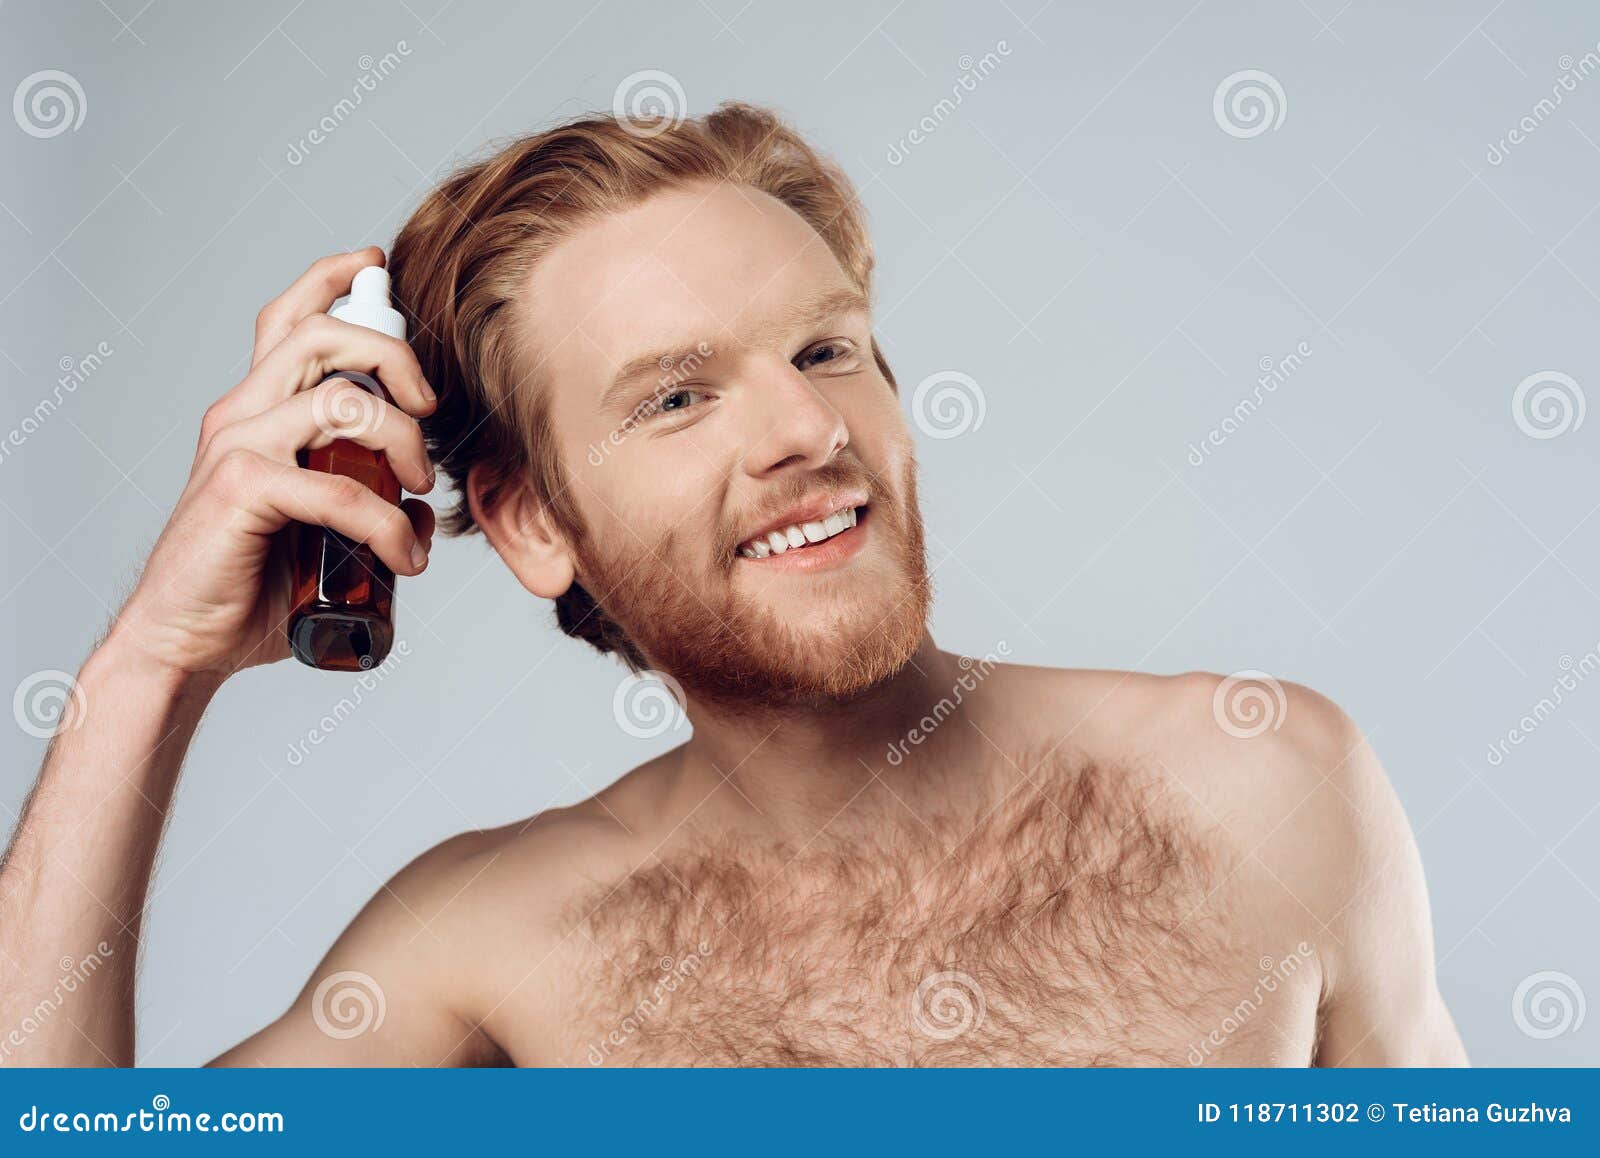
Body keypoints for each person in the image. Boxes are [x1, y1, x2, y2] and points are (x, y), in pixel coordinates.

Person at [0, 103, 1465, 1066]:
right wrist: (150, 664)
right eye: (678, 397)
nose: (806, 431)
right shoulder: (488, 944)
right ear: (526, 524)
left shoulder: (1261, 779)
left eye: (825, 351)